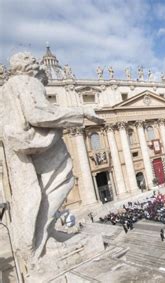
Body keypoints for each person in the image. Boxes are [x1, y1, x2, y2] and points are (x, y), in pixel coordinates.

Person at [0, 52, 104, 263]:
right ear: (32, 67)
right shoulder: (28, 82)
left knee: (39, 194)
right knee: (60, 185)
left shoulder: (6, 88)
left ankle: (40, 240)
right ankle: (42, 242)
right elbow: (38, 115)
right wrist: (82, 112)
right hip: (42, 148)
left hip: (22, 150)